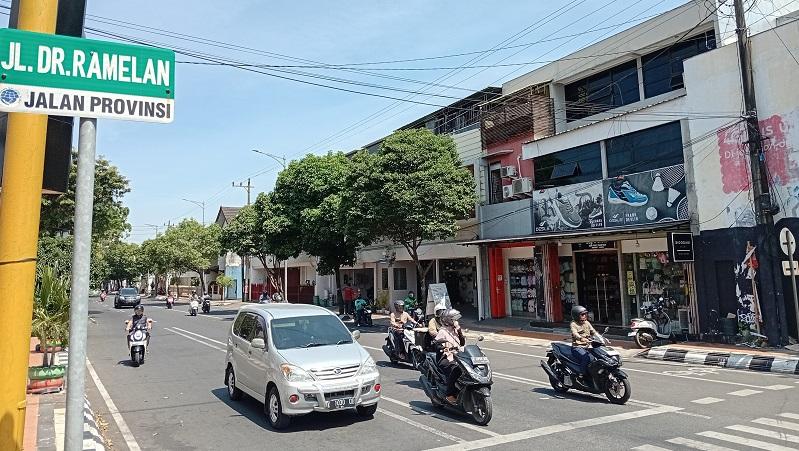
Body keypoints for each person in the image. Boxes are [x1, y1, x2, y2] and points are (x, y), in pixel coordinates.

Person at [434, 309, 465, 404]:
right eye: (454, 319)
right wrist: (442, 347)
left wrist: (459, 330)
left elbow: (462, 343)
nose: (456, 321)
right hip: (445, 358)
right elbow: (437, 344)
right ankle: (449, 394)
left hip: (458, 356)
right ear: (448, 320)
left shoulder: (455, 330)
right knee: (455, 369)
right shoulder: (442, 331)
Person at [570, 305, 597, 374]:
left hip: (588, 346)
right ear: (576, 315)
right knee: (586, 358)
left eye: (585, 314)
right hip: (578, 347)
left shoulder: (587, 323)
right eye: (582, 314)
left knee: (597, 357)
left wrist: (601, 338)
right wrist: (581, 338)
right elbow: (575, 333)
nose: (585, 316)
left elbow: (593, 331)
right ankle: (581, 373)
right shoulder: (573, 324)